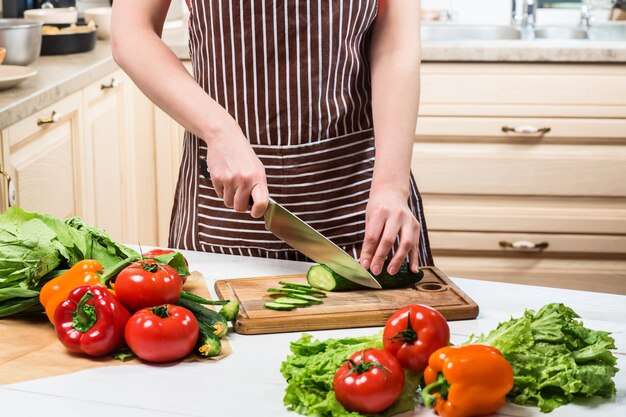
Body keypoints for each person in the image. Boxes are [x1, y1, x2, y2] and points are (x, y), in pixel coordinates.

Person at [111, 0, 433, 277]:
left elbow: (396, 44)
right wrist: (219, 130)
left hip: (360, 200)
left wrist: (391, 186)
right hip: (225, 209)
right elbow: (132, 32)